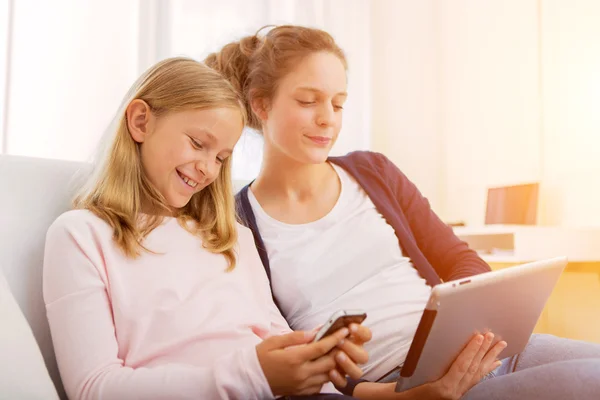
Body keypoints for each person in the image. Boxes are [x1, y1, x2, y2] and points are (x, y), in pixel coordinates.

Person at [206, 25, 600, 399]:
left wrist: (466, 323)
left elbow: (460, 260)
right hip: (408, 382)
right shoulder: (238, 226)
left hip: (483, 350)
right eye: (308, 101)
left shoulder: (372, 171)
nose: (328, 117)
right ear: (260, 103)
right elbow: (287, 364)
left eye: (338, 103)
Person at [42, 57, 371, 400]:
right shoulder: (81, 236)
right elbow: (94, 388)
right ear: (141, 122)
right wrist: (252, 377)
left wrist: (314, 356)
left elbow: (272, 339)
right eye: (199, 144)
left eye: (221, 158)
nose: (208, 170)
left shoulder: (231, 239)